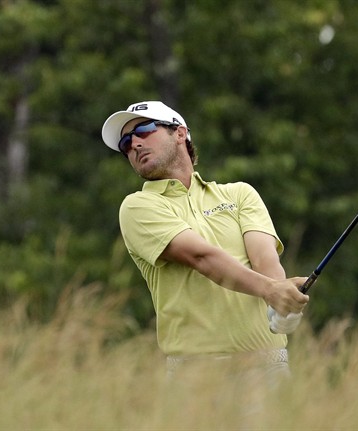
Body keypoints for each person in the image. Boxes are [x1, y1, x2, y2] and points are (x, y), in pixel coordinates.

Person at [101, 101, 309, 385]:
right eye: (125, 142)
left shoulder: (239, 194)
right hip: (194, 374)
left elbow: (265, 260)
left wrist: (283, 303)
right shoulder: (137, 206)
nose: (134, 144)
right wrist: (273, 290)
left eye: (144, 130)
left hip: (267, 367)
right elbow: (202, 258)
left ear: (180, 133)